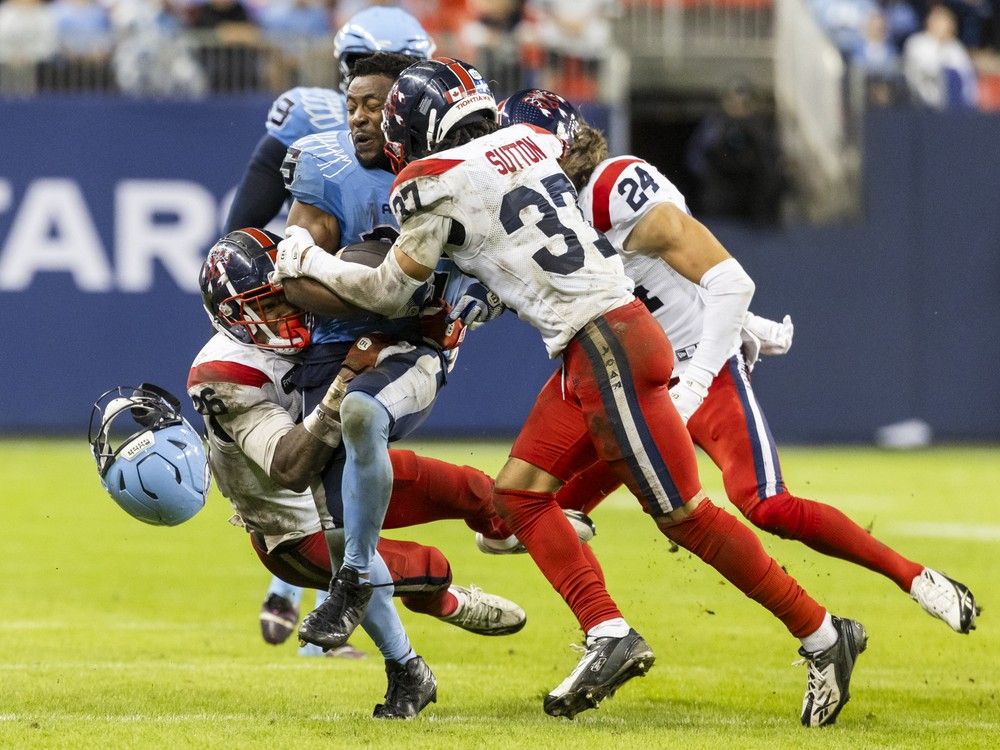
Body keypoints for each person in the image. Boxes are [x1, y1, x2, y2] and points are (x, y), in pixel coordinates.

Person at [269, 57, 866, 726]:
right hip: (595, 342)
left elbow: (388, 288)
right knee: (520, 495)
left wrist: (308, 260)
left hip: (605, 341)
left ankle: (819, 633)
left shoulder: (429, 181)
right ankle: (607, 630)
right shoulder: (531, 144)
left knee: (685, 517)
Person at [497, 88, 980, 639]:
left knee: (765, 503)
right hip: (624, 379)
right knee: (512, 519)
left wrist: (698, 381)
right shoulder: (539, 214)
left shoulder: (611, 188)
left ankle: (915, 579)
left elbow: (727, 279)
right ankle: (601, 631)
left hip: (691, 370)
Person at [191, 227, 529, 716]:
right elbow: (289, 466)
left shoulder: (318, 314)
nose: (287, 313)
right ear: (234, 318)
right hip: (296, 529)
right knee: (427, 567)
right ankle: (438, 617)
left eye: (285, 297)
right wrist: (343, 382)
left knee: (477, 490)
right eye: (269, 306)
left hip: (349, 472)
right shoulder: (223, 373)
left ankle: (537, 533)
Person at [272, 52, 522, 657]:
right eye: (352, 104)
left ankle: (500, 530)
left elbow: (500, 275)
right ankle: (417, 644)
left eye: (374, 106)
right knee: (328, 529)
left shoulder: (456, 174)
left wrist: (458, 301)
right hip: (331, 348)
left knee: (361, 427)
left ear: (409, 110)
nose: (358, 118)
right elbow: (294, 281)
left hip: (419, 345)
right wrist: (369, 290)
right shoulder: (325, 164)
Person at [223, 6, 435, 233]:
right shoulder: (308, 116)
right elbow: (239, 229)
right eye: (365, 62)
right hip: (329, 258)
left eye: (395, 66)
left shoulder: (439, 120)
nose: (375, 75)